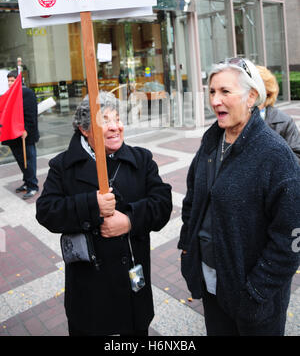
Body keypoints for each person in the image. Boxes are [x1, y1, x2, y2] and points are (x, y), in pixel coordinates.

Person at [178, 57, 300, 336]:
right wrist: (188, 246)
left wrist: (255, 291)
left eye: (225, 92)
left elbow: (290, 237)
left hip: (254, 303)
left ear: (251, 97)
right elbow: (193, 201)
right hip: (212, 285)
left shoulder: (275, 155)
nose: (215, 100)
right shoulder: (211, 142)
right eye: (211, 91)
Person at [36, 92, 172, 336]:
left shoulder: (141, 159)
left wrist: (129, 220)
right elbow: (46, 211)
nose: (115, 127)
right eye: (105, 120)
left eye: (118, 118)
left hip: (132, 287)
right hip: (89, 293)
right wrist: (91, 205)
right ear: (84, 129)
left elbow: (162, 204)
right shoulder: (62, 166)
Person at [2, 70, 39, 199]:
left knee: (28, 161)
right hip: (13, 136)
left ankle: (33, 186)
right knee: (20, 161)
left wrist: (27, 130)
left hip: (24, 135)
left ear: (19, 81)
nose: (10, 83)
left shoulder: (27, 93)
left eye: (12, 80)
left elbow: (31, 114)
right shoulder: (9, 94)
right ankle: (27, 182)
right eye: (8, 81)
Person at [257, 65, 300, 161]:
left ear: (267, 91)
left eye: (256, 88)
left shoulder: (284, 122)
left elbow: (297, 159)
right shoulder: (233, 120)